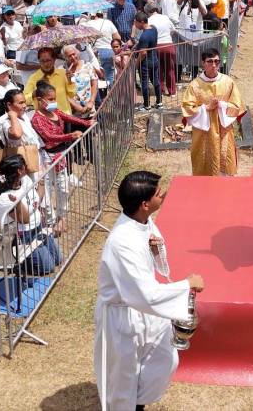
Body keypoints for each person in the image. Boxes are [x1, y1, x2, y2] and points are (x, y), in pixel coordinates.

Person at [94, 170, 204, 410]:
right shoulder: (122, 242)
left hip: (146, 311)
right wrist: (187, 285)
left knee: (164, 361)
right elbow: (146, 294)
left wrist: (156, 251)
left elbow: (156, 270)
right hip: (123, 317)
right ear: (144, 204)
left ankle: (140, 403)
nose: (162, 194)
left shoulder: (144, 222)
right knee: (123, 380)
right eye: (157, 193)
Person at [0, 154, 62, 275]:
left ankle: (33, 256)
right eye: (25, 166)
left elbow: (36, 198)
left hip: (38, 228)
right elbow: (25, 219)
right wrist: (17, 203)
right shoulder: (5, 197)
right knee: (47, 268)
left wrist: (42, 182)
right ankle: (18, 263)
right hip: (23, 236)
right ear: (19, 171)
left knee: (57, 259)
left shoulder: (25, 180)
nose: (28, 167)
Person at [181, 48, 245, 176]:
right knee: (204, 161)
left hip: (223, 129)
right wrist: (206, 108)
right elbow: (187, 108)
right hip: (204, 132)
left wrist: (222, 105)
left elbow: (238, 106)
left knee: (224, 159)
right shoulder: (195, 85)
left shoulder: (228, 82)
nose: (214, 65)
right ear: (203, 63)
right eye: (210, 61)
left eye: (217, 61)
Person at [23, 47, 79, 113]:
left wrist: (70, 82)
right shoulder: (34, 78)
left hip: (65, 115)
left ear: (54, 60)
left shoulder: (63, 74)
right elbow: (25, 99)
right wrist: (35, 93)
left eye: (48, 60)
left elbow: (72, 94)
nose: (45, 64)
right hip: (45, 119)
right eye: (42, 61)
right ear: (39, 61)